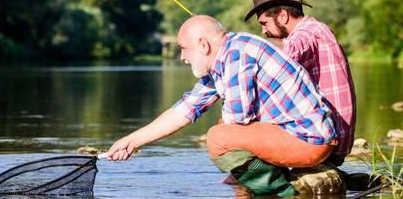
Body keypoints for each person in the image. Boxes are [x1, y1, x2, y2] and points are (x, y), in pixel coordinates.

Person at [107, 15, 337, 196]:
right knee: (224, 131)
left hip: (308, 140)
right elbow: (184, 110)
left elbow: (238, 118)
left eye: (183, 48)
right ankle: (251, 186)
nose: (182, 57)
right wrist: (132, 140)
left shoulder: (237, 54)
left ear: (204, 45)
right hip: (300, 135)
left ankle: (280, 192)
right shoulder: (225, 59)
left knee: (218, 136)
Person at [244, 0, 356, 166]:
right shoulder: (317, 29)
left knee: (231, 133)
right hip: (329, 140)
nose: (263, 31)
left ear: (283, 16)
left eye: (264, 23)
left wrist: (243, 44)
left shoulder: (310, 32)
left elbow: (292, 49)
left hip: (326, 144)